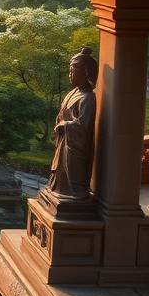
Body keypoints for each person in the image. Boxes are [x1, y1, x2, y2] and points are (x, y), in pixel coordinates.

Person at [47, 47, 97, 199]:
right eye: (69, 71)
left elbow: (84, 125)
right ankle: (60, 188)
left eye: (73, 71)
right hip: (64, 142)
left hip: (74, 146)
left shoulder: (87, 98)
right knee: (59, 173)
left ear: (85, 73)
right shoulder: (73, 92)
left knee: (73, 173)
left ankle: (75, 191)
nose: (70, 75)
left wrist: (65, 125)